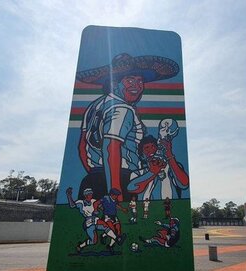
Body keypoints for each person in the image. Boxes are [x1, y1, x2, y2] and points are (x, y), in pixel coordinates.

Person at [76, 53, 180, 201]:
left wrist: (96, 175)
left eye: (140, 80)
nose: (136, 86)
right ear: (114, 83)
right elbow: (111, 147)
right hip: (119, 179)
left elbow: (82, 146)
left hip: (93, 178)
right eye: (129, 79)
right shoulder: (122, 109)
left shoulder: (95, 105)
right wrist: (115, 190)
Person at [127, 132, 189, 200]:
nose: (151, 150)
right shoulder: (138, 173)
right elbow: (132, 188)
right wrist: (152, 173)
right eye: (146, 148)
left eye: (153, 146)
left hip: (170, 207)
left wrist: (169, 154)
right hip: (147, 208)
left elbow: (184, 184)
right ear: (142, 155)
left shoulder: (170, 167)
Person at [65, 187, 124, 254]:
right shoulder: (80, 202)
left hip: (95, 219)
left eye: (91, 194)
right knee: (94, 241)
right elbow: (72, 205)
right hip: (88, 221)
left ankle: (117, 239)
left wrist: (106, 211)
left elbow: (100, 206)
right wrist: (69, 195)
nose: (91, 195)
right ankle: (81, 246)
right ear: (86, 195)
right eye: (89, 194)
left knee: (105, 226)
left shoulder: (93, 201)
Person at [99, 188, 128, 252]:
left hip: (114, 216)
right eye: (115, 195)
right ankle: (118, 240)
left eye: (117, 195)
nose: (116, 196)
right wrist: (103, 209)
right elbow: (99, 204)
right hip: (107, 216)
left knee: (118, 229)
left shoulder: (115, 199)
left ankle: (110, 245)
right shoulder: (105, 198)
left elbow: (116, 205)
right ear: (111, 194)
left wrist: (123, 209)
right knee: (113, 230)